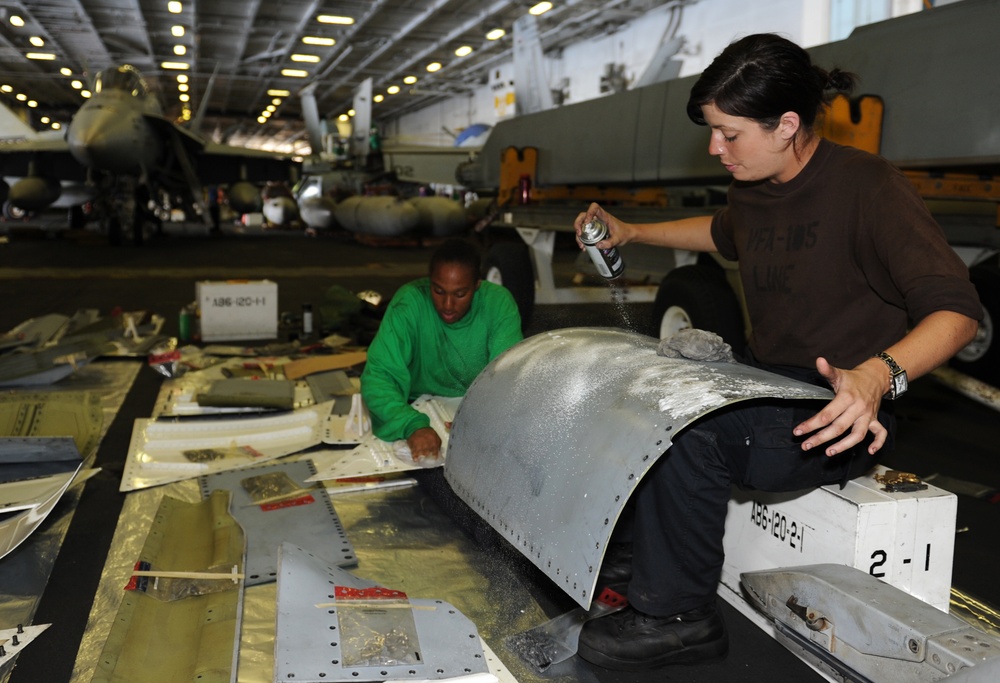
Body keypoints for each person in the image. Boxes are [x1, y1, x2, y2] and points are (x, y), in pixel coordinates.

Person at [572, 33, 982, 671]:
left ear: (788, 124)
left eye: (728, 134)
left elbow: (957, 311)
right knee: (639, 387)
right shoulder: (752, 186)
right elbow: (720, 232)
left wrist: (878, 376)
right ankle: (642, 551)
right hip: (766, 385)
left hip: (837, 410)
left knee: (694, 434)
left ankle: (681, 614)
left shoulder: (868, 187)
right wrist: (632, 230)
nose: (715, 148)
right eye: (712, 131)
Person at [360, 237, 523, 460]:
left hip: (477, 407)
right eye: (438, 291)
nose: (447, 305)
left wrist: (481, 416)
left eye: (460, 294)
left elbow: (508, 376)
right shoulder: (409, 303)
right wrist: (411, 425)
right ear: (429, 282)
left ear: (477, 285)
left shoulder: (498, 304)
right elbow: (379, 376)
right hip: (414, 407)